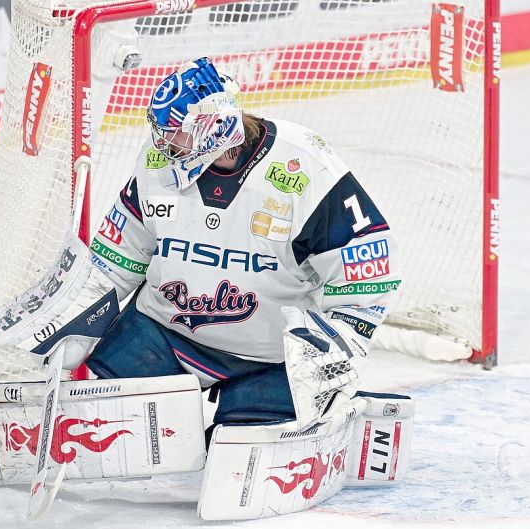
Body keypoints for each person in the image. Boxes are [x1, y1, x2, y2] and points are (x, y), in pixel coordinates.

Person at [80, 57, 400, 432]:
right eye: (161, 131)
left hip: (269, 357)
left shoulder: (304, 165)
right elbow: (118, 256)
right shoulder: (156, 163)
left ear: (213, 129)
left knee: (239, 458)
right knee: (112, 430)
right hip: (164, 333)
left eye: (175, 134)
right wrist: (75, 317)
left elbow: (367, 258)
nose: (163, 144)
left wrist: (338, 342)